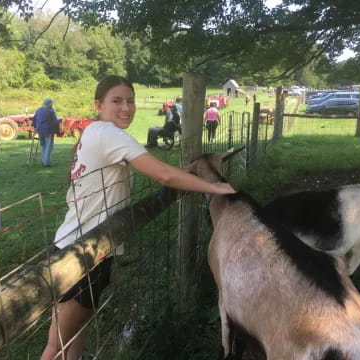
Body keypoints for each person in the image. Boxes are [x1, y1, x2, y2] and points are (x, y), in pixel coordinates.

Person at [40, 75, 234, 360]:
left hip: (71, 245)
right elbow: (163, 174)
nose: (126, 108)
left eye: (130, 101)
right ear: (99, 104)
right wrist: (214, 187)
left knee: (73, 334)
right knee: (56, 346)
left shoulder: (94, 131)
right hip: (84, 253)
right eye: (116, 101)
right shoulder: (109, 134)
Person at [32, 98, 60, 167]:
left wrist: (36, 128)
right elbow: (55, 121)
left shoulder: (39, 110)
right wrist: (60, 120)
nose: (52, 105)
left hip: (40, 130)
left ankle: (43, 160)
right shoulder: (51, 111)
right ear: (49, 104)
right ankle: (46, 163)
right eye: (51, 104)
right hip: (48, 130)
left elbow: (34, 119)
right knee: (48, 146)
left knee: (43, 145)